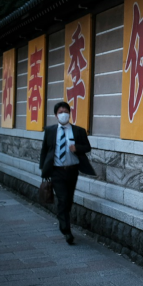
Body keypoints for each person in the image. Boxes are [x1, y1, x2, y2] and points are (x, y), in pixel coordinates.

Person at [39, 102, 96, 244]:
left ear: (69, 114)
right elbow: (45, 150)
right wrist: (43, 169)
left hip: (72, 170)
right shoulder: (50, 131)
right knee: (63, 199)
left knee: (68, 199)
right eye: (60, 112)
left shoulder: (78, 131)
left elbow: (87, 147)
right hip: (57, 171)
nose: (63, 114)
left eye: (65, 111)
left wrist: (77, 148)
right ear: (56, 115)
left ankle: (65, 222)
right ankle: (66, 230)